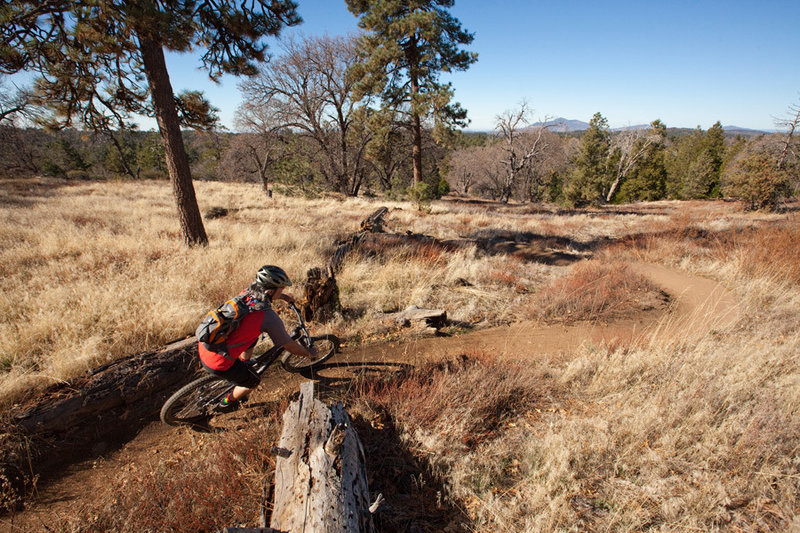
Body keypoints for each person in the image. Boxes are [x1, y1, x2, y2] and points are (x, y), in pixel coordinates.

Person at [197, 265, 317, 413]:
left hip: (207, 346)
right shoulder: (268, 318)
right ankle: (227, 403)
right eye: (281, 289)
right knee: (253, 382)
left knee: (253, 337)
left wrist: (284, 297)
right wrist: (309, 353)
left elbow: (266, 295)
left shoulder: (247, 293)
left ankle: (244, 362)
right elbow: (290, 346)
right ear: (271, 291)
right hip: (219, 362)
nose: (283, 291)